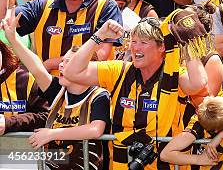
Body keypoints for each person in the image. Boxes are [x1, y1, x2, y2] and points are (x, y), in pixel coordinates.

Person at [63, 17, 209, 170]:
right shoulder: (119, 71)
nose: (136, 48)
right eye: (133, 41)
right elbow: (71, 72)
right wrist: (100, 34)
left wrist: (187, 42)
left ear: (162, 47)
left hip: (164, 164)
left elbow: (198, 84)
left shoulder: (173, 74)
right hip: (122, 164)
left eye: (143, 42)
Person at [2, 7, 109, 170]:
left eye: (68, 61)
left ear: (85, 68)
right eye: (62, 60)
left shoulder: (98, 95)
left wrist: (52, 134)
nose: (61, 65)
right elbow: (36, 67)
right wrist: (13, 39)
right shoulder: (58, 92)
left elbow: (95, 129)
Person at [160, 96, 223, 169]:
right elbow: (165, 155)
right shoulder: (196, 128)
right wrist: (198, 159)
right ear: (216, 130)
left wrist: (219, 136)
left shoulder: (221, 121)